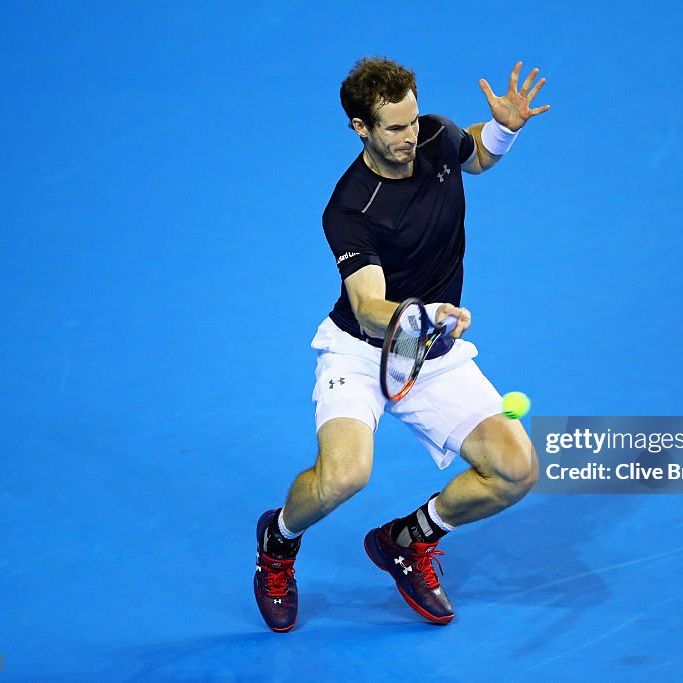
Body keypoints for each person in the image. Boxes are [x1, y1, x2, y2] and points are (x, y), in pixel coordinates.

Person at [255, 56, 550, 632]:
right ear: (360, 128)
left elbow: (479, 157)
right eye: (393, 128)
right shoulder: (349, 208)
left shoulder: (436, 136)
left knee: (515, 470)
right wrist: (426, 311)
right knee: (345, 476)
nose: (409, 137)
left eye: (413, 121)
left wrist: (505, 128)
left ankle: (406, 539)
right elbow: (368, 306)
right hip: (361, 352)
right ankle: (278, 540)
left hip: (432, 353)